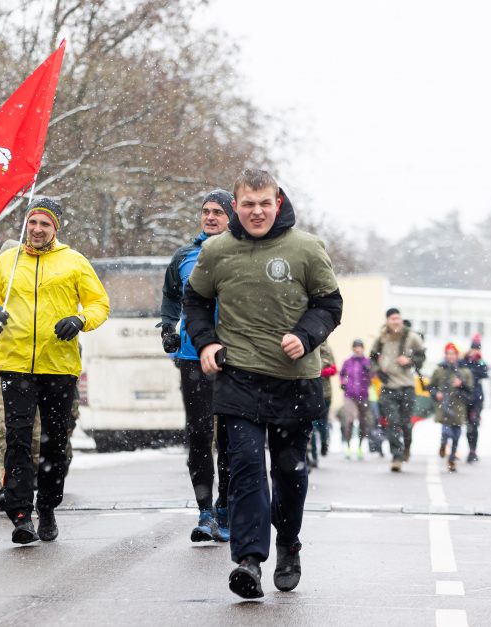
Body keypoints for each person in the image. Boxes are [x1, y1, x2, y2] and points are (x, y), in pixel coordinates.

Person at [183, 169, 342, 599]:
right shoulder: (217, 250)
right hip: (239, 378)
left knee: (289, 474)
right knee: (248, 469)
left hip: (295, 381)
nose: (257, 211)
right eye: (248, 204)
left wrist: (305, 335)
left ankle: (288, 545)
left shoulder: (306, 248)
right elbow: (195, 300)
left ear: (278, 201)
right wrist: (206, 343)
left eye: (264, 203)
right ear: (236, 206)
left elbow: (330, 304)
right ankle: (250, 560)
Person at [0, 197, 110, 544]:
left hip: (59, 365)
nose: (38, 230)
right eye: (33, 223)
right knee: (17, 440)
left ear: (56, 228)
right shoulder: (8, 261)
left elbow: (100, 304)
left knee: (54, 443)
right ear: (26, 225)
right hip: (15, 364)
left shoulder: (74, 262)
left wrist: (79, 319)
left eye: (45, 224)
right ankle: (21, 515)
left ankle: (48, 507)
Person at [158, 189, 233, 543]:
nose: (210, 217)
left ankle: (226, 508)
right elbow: (171, 296)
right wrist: (168, 328)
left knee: (232, 438)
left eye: (218, 212)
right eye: (206, 211)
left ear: (231, 217)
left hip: (237, 359)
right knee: (199, 435)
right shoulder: (185, 255)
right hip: (192, 357)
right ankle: (204, 512)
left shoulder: (243, 252)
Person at [0, 241, 41, 509]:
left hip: (35, 367)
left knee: (34, 433)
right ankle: (7, 487)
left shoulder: (37, 285)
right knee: (2, 431)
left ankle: (28, 481)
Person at [370, 308, 425, 472]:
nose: (396, 321)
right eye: (393, 319)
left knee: (406, 423)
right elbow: (372, 358)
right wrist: (379, 372)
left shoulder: (411, 337)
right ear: (388, 321)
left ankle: (406, 446)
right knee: (392, 423)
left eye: (398, 318)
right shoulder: (382, 338)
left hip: (407, 386)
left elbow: (421, 357)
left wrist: (410, 360)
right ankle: (396, 456)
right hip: (389, 387)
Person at [429, 343, 474, 473]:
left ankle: (452, 459)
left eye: (453, 354)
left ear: (457, 355)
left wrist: (461, 385)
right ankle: (443, 445)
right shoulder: (439, 370)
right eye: (448, 354)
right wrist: (435, 393)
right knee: (446, 431)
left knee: (456, 435)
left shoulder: (465, 372)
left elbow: (470, 391)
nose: (451, 356)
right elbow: (431, 386)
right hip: (443, 405)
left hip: (459, 406)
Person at [339, 339, 372, 460]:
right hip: (349, 395)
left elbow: (373, 377)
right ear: (353, 349)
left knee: (363, 422)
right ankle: (347, 446)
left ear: (363, 348)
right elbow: (342, 374)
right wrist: (343, 382)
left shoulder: (367, 362)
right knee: (349, 420)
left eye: (360, 347)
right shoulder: (347, 362)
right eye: (355, 347)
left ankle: (360, 447)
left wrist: (369, 372)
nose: (358, 349)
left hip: (363, 395)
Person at [458, 334, 488, 463]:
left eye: (478, 348)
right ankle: (454, 449)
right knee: (459, 423)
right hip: (464, 396)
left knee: (473, 424)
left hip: (476, 398)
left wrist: (478, 361)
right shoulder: (463, 360)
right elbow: (458, 369)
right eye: (474, 348)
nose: (476, 351)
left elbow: (484, 373)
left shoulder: (480, 362)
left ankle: (472, 451)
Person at [308, 342, 335, 469]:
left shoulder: (326, 350)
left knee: (322, 423)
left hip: (325, 394)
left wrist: (318, 371)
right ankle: (313, 456)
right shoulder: (307, 345)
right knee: (311, 425)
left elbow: (334, 369)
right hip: (310, 392)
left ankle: (324, 443)